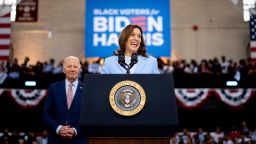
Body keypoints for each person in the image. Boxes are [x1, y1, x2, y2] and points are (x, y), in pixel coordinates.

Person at [43, 56, 87, 144]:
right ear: (63, 69)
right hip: (56, 140)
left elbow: (90, 116)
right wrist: (59, 129)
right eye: (69, 66)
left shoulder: (88, 88)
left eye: (75, 67)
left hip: (78, 140)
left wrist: (75, 130)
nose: (72, 69)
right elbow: (46, 114)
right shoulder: (53, 88)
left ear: (79, 69)